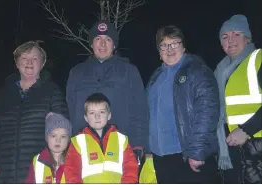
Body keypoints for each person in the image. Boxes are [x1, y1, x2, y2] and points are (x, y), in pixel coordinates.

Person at [66, 20, 149, 160]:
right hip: (85, 148)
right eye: (98, 39)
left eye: (108, 39)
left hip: (122, 148)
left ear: (114, 45)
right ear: (91, 44)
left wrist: (138, 144)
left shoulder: (129, 71)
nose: (102, 44)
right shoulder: (76, 73)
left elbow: (140, 110)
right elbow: (70, 111)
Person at [146, 25, 220, 183]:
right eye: (164, 45)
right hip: (161, 158)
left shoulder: (198, 71)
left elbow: (207, 112)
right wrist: (149, 148)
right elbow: (149, 114)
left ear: (184, 46)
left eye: (174, 43)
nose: (169, 48)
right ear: (159, 52)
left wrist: (197, 151)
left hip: (187, 156)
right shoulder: (155, 78)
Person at [0, 41, 69, 183]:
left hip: (39, 170)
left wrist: (59, 164)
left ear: (42, 63)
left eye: (35, 58)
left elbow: (63, 132)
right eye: (24, 58)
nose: (29, 63)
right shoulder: (1, 95)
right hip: (4, 172)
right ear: (16, 63)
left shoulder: (52, 92)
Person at [215, 14, 262, 183]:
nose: (230, 40)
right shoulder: (220, 72)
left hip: (257, 146)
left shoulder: (259, 59)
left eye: (237, 34)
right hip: (233, 150)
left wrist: (246, 130)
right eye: (225, 36)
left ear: (247, 38)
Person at [64, 93, 139, 183]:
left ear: (109, 115)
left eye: (102, 112)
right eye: (92, 113)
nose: (97, 116)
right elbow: (71, 171)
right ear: (86, 118)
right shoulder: (78, 142)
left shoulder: (121, 140)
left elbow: (130, 168)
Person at [25, 113, 71, 184]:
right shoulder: (37, 162)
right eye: (53, 136)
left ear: (68, 140)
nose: (58, 140)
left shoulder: (76, 159)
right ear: (47, 138)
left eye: (63, 136)